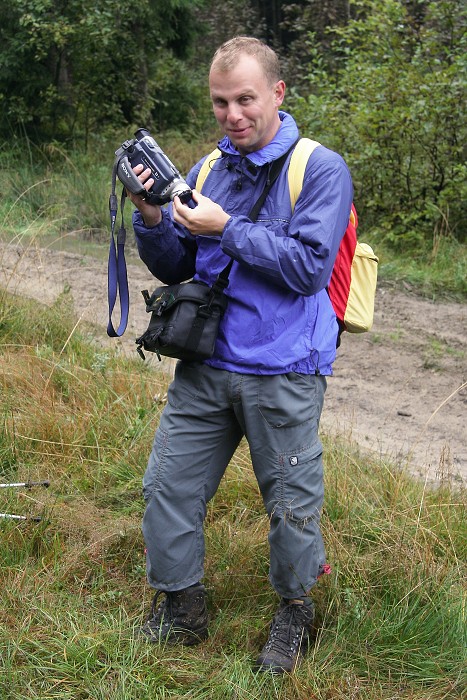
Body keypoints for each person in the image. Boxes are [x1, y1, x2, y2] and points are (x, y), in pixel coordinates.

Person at [128, 36, 353, 674]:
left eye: (246, 99)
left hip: (284, 369)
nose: (233, 115)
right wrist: (152, 216)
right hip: (206, 365)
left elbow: (310, 267)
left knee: (289, 502)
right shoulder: (206, 169)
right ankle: (182, 610)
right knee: (167, 487)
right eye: (222, 102)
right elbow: (177, 265)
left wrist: (226, 227)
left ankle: (295, 613)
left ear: (277, 93)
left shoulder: (321, 168)